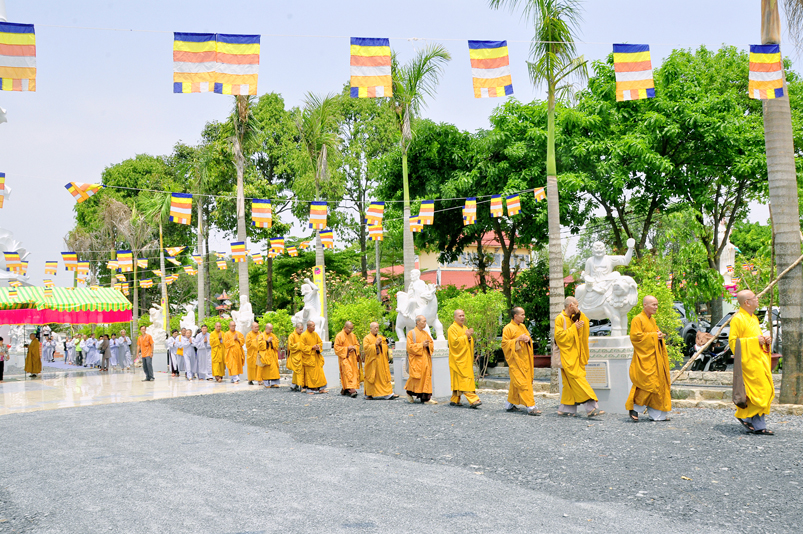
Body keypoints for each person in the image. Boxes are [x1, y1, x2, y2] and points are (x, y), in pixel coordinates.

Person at [730, 290, 775, 435]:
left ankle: (747, 418)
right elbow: (733, 342)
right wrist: (755, 341)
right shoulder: (738, 319)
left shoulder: (754, 318)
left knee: (766, 390)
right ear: (747, 302)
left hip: (758, 360)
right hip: (748, 363)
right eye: (754, 298)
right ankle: (758, 425)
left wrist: (765, 340)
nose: (757, 299)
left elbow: (756, 338)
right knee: (759, 393)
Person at [554, 297, 603, 417]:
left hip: (575, 355)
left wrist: (579, 313)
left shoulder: (573, 317)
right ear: (571, 305)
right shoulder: (560, 318)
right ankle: (591, 408)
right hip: (567, 356)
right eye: (576, 305)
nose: (577, 307)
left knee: (569, 383)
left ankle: (565, 409)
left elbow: (585, 322)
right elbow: (559, 337)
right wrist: (573, 328)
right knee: (578, 379)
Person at [627, 296, 671, 422]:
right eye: (653, 305)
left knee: (658, 385)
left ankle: (657, 415)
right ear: (645, 305)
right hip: (644, 358)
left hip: (655, 358)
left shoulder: (652, 320)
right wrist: (654, 336)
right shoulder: (638, 319)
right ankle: (634, 408)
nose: (656, 307)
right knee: (647, 384)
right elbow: (635, 337)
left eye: (657, 304)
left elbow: (655, 334)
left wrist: (659, 335)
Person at [501, 307, 540, 416]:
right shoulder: (508, 328)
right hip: (515, 361)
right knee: (522, 384)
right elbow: (504, 344)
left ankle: (509, 404)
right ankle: (531, 406)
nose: (524, 316)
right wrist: (517, 339)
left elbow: (528, 338)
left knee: (516, 383)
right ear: (515, 316)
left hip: (525, 360)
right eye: (522, 314)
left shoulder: (522, 326)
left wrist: (528, 340)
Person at [447, 309, 481, 408]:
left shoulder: (465, 328)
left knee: (460, 380)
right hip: (457, 359)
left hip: (465, 359)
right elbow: (454, 343)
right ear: (455, 317)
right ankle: (473, 399)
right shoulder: (452, 329)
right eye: (460, 316)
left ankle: (455, 399)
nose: (462, 317)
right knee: (464, 379)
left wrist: (469, 338)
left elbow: (469, 341)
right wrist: (466, 336)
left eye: (463, 315)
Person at [405, 315, 436, 405]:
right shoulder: (411, 333)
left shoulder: (425, 333)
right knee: (416, 378)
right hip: (416, 361)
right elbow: (409, 347)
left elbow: (431, 343)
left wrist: (428, 345)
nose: (425, 323)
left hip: (426, 360)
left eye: (426, 321)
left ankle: (426, 398)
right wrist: (421, 345)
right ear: (418, 322)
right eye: (423, 321)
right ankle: (409, 393)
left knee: (426, 378)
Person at [362, 322, 396, 400]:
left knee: (384, 377)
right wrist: (375, 344)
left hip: (381, 362)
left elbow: (386, 347)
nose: (376, 329)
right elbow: (366, 349)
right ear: (371, 328)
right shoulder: (367, 338)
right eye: (375, 328)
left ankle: (387, 394)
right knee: (371, 377)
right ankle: (369, 394)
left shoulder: (381, 337)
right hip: (372, 362)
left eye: (377, 328)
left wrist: (381, 345)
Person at [334, 321, 361, 397]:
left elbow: (357, 345)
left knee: (353, 373)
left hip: (352, 358)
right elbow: (336, 348)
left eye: (352, 329)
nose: (351, 330)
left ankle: (345, 389)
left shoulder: (353, 335)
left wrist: (354, 348)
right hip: (345, 358)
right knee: (347, 372)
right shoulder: (339, 335)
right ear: (345, 327)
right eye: (350, 329)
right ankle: (351, 389)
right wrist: (347, 349)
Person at [300, 320, 327, 394]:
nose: (314, 327)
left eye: (314, 326)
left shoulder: (315, 334)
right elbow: (302, 347)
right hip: (309, 358)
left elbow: (320, 342)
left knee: (320, 373)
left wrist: (318, 347)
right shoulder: (303, 335)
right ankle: (310, 390)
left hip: (316, 357)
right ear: (308, 327)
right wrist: (312, 347)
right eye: (313, 326)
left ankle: (321, 388)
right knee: (310, 375)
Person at [258, 323, 281, 388]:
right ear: (266, 328)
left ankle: (274, 383)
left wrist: (272, 342)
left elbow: (276, 342)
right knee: (266, 370)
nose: (271, 331)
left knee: (274, 369)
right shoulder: (261, 335)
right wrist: (267, 341)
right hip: (265, 355)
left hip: (272, 355)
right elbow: (259, 345)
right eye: (270, 329)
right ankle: (266, 383)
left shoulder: (273, 335)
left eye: (271, 329)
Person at [287, 322, 305, 392]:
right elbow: (291, 346)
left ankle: (294, 385)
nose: (301, 331)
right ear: (296, 328)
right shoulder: (292, 336)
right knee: (298, 370)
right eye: (300, 329)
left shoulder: (302, 335)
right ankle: (301, 385)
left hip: (301, 355)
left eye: (302, 329)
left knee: (298, 371)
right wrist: (299, 345)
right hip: (295, 356)